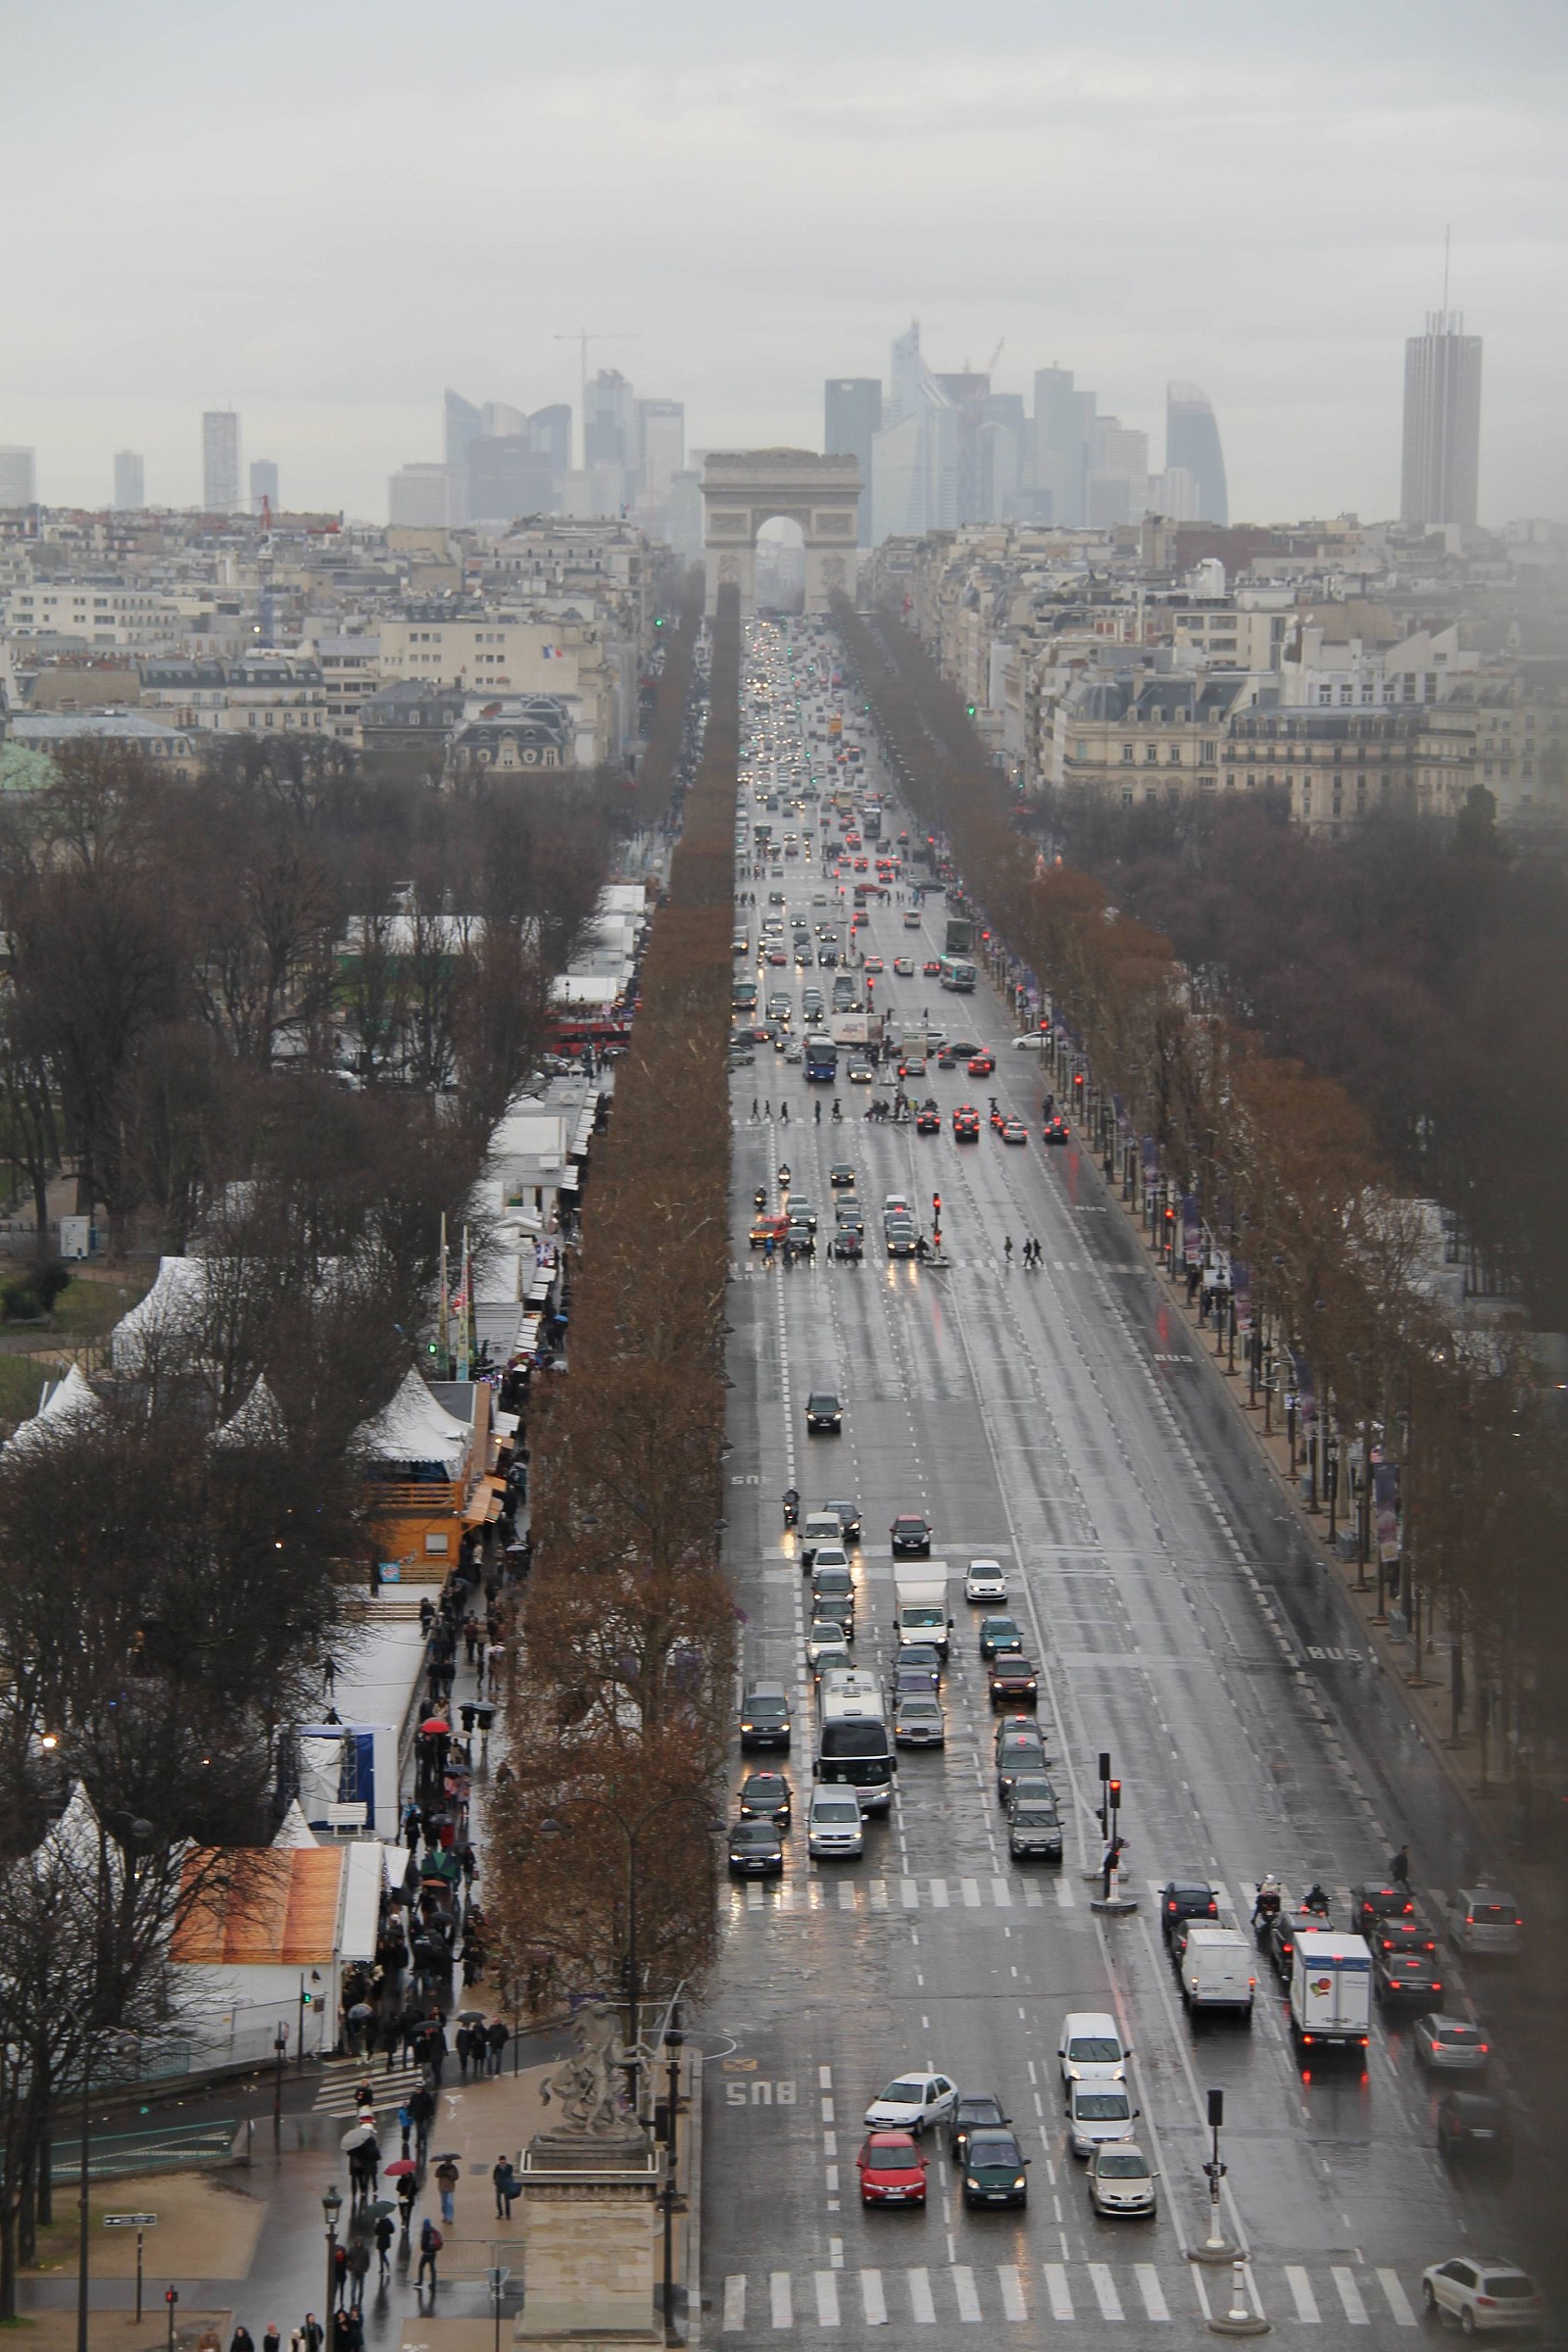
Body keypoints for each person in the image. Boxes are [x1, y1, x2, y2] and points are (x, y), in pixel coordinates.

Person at [416, 2218, 441, 2291]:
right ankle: (433, 2283)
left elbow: (423, 2244)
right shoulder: (433, 2230)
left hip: (426, 2253)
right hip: (433, 2253)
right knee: (432, 2268)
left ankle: (420, 2282)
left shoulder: (425, 2231)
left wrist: (423, 2249)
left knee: (421, 2266)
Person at [435, 2155, 460, 2225]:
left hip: (450, 2188)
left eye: (449, 2162)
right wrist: (443, 2172)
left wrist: (449, 2174)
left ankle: (449, 2218)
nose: (448, 2163)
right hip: (442, 2188)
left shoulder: (453, 2168)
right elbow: (437, 2175)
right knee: (444, 2204)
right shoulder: (441, 2167)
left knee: (449, 2203)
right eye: (447, 2162)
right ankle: (445, 2215)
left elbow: (456, 2177)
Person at [372, 2211, 395, 2278]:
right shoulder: (388, 2221)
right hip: (387, 2239)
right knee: (382, 2253)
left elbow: (376, 2232)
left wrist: (376, 2225)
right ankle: (382, 2268)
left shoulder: (380, 2222)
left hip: (381, 2240)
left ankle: (385, 2266)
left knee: (381, 2254)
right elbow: (392, 2230)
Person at [493, 2154, 515, 2219]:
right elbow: (494, 2174)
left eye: (503, 2162)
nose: (502, 2163)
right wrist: (495, 2181)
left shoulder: (510, 2167)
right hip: (499, 2185)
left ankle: (508, 2214)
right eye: (501, 2162)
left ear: (505, 2161)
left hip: (506, 2185)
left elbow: (512, 2175)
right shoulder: (497, 2167)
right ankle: (500, 2213)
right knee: (498, 2200)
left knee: (507, 2200)